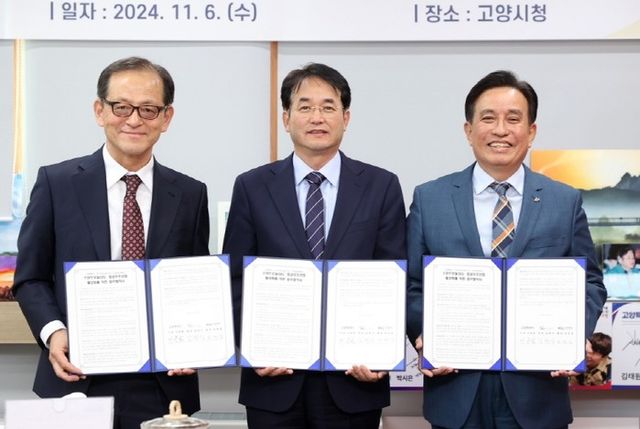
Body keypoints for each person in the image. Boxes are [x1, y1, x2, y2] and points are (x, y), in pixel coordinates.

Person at [13, 57, 209, 429]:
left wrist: (194, 343)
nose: (134, 120)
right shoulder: (57, 183)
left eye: (148, 109)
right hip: (76, 376)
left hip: (162, 385)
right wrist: (54, 332)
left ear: (166, 117)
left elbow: (195, 283)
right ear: (99, 111)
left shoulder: (189, 193)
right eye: (121, 107)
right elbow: (31, 277)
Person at [406, 70, 607, 429]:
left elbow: (590, 282)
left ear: (531, 131)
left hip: (537, 391)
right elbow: (412, 284)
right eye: (488, 118)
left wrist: (574, 334)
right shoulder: (430, 198)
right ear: (469, 130)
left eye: (513, 119)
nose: (500, 130)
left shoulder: (564, 201)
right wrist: (426, 334)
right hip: (456, 387)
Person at [223, 63, 406, 429]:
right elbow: (235, 278)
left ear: (346, 117)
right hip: (274, 380)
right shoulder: (252, 187)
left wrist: (382, 353)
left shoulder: (381, 186)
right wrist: (253, 348)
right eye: (305, 107)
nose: (317, 117)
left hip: (353, 381)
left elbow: (394, 277)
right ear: (286, 118)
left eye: (328, 107)